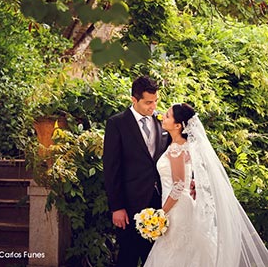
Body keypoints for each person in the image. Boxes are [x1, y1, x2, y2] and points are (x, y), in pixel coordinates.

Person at [144, 103, 268, 267]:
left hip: (177, 209)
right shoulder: (183, 146)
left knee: (175, 254)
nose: (163, 117)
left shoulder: (176, 150)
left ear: (178, 125)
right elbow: (188, 177)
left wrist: (161, 212)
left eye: (167, 116)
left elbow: (179, 185)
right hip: (181, 206)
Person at [103, 76, 170, 267]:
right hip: (130, 204)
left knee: (156, 258)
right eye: (148, 102)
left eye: (156, 101)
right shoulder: (117, 124)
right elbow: (111, 167)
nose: (153, 106)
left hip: (160, 202)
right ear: (134, 99)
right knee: (128, 257)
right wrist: (117, 206)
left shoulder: (161, 121)